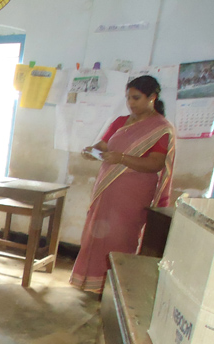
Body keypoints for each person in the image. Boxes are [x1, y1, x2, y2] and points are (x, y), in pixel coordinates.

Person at [70, 75, 176, 293]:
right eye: (128, 98)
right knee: (95, 233)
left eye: (136, 98)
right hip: (106, 187)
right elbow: (104, 145)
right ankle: (91, 281)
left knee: (120, 237)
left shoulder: (160, 128)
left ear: (152, 97)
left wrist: (122, 159)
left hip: (133, 192)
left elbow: (155, 163)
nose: (130, 103)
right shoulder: (120, 121)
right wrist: (91, 151)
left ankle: (115, 289)